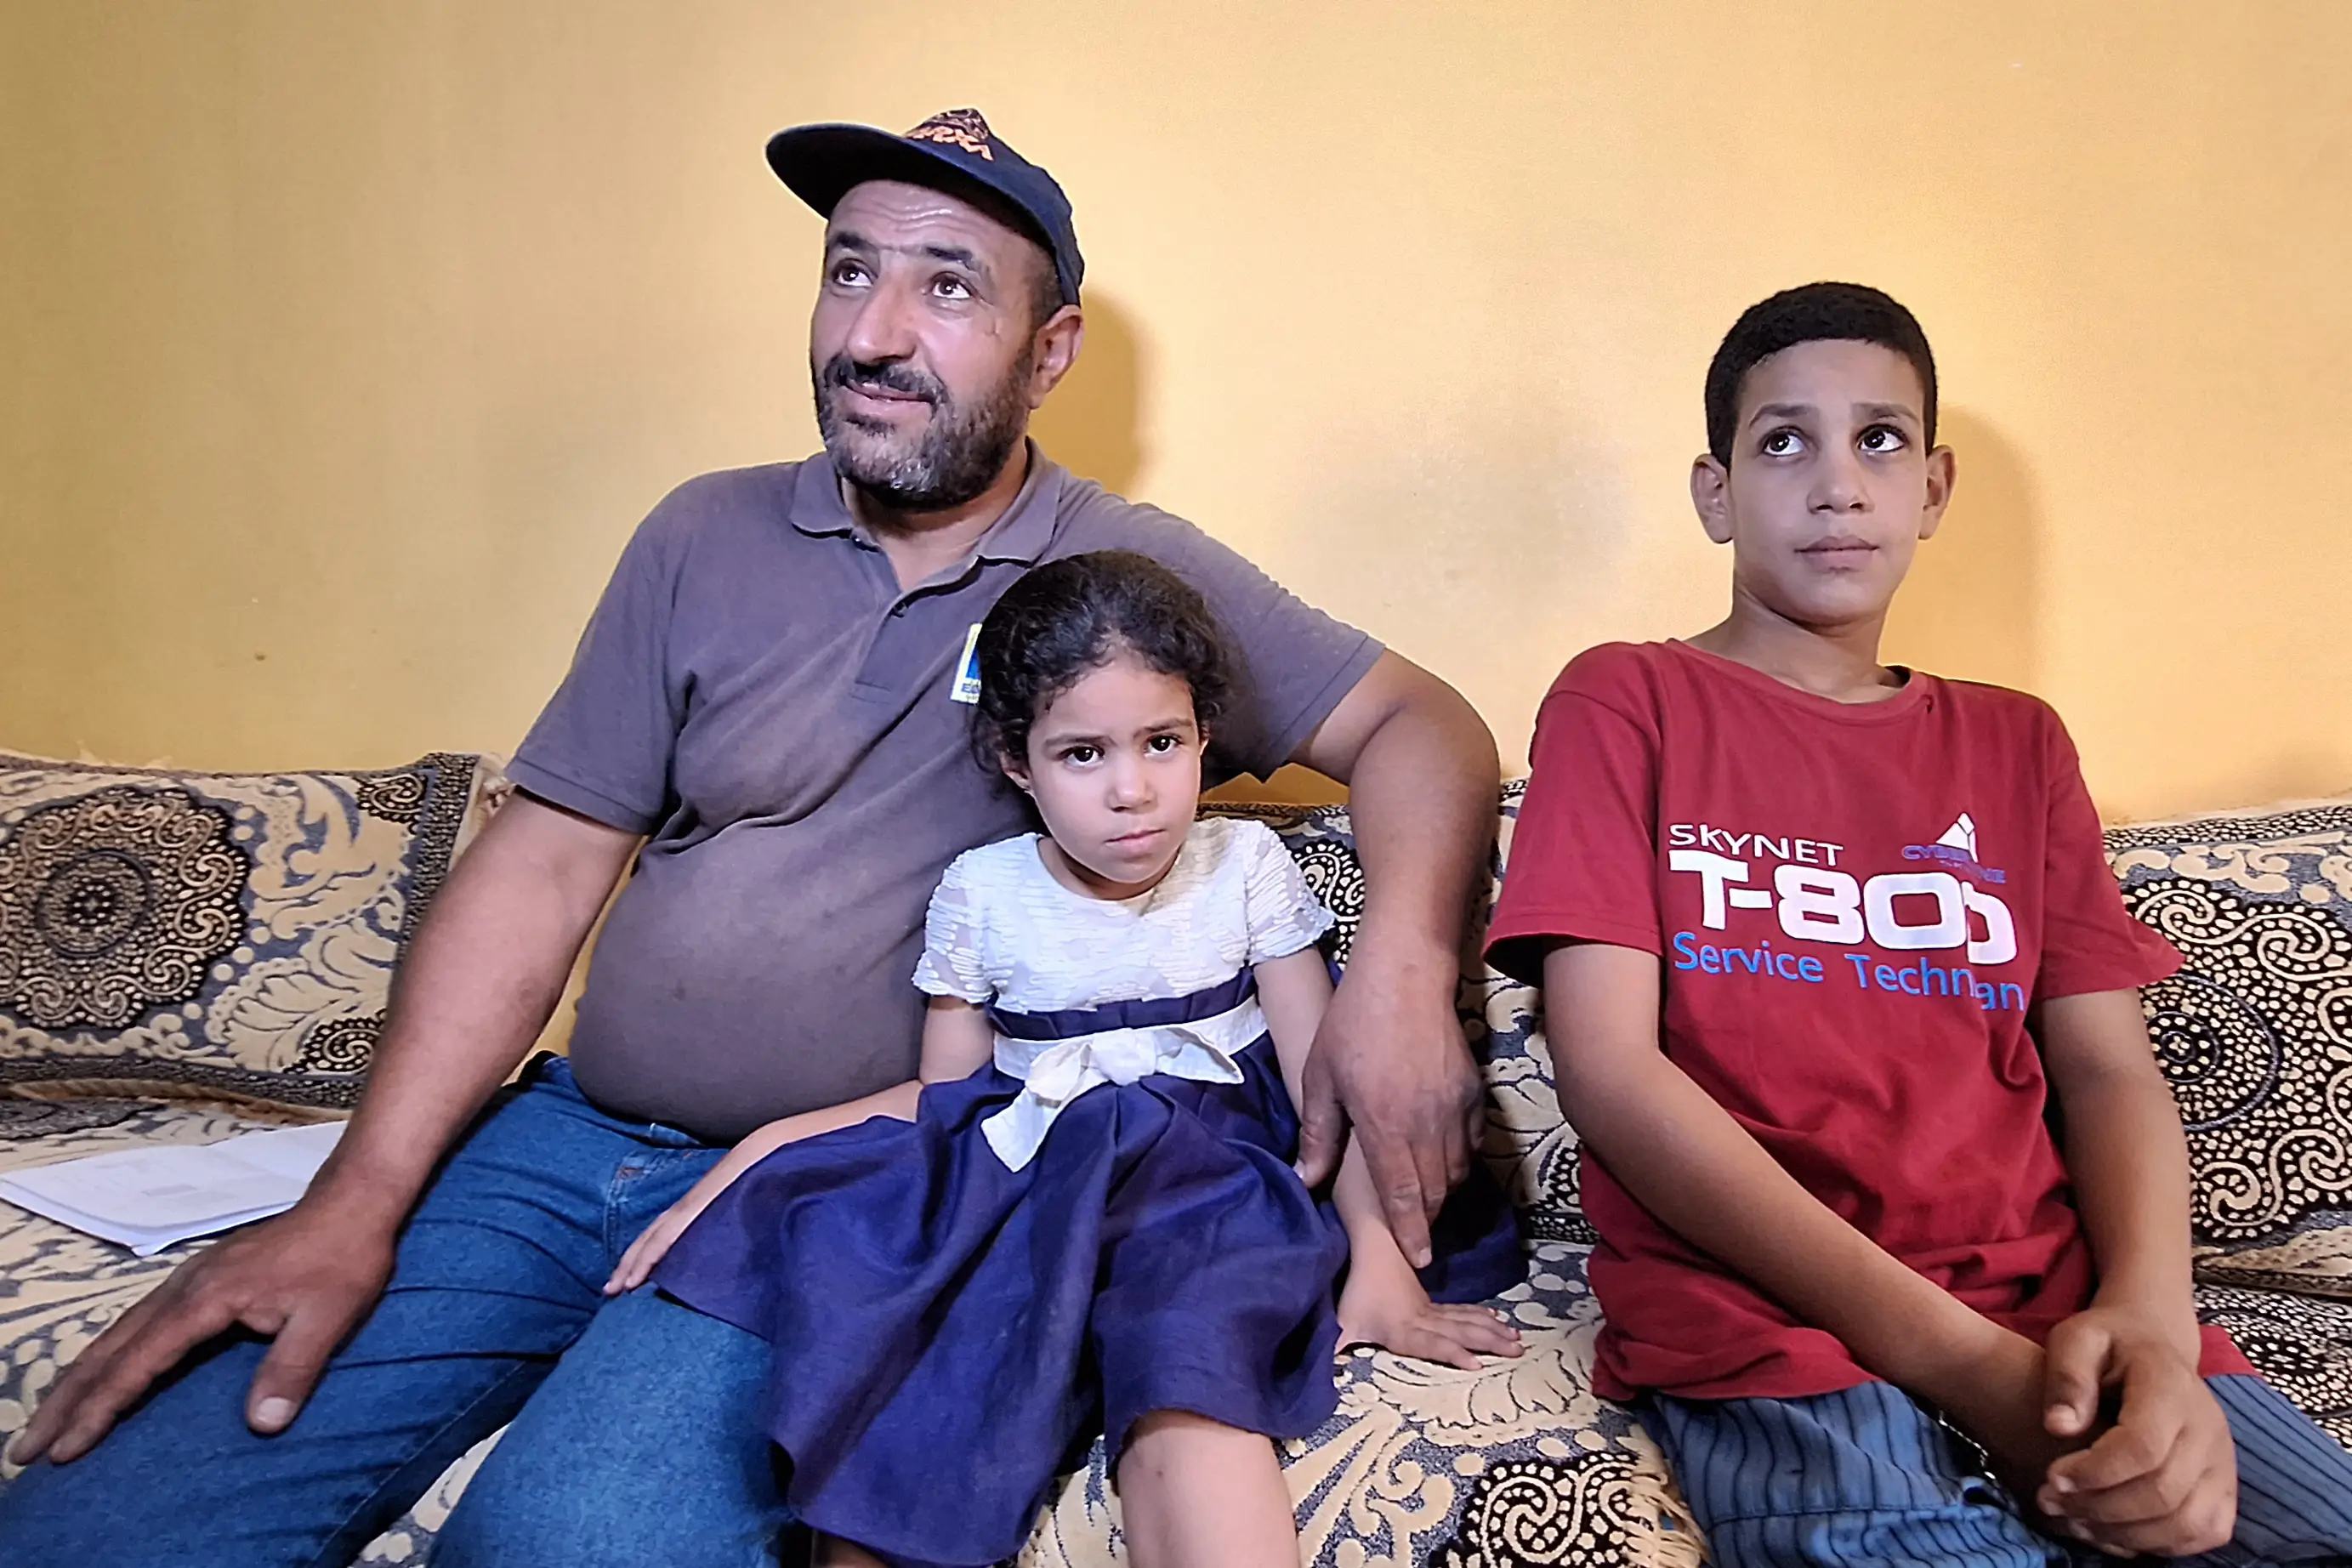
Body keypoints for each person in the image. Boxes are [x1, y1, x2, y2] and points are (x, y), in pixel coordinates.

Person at [0, 111, 1503, 1568]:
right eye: (850, 269)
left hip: (839, 1186)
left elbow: (1423, 727)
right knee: (112, 1508)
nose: (871, 332)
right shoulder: (698, 534)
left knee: (573, 1543)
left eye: (948, 285)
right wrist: (354, 1195)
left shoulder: (1120, 578)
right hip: (560, 1138)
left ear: (1051, 354)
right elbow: (541, 864)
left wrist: (1397, 972)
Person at [1484, 281, 2352, 1567]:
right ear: (1714, 491)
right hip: (1765, 1326)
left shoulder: (2017, 743)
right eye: (1784, 441)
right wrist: (1966, 1370)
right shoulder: (1629, 698)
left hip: (2056, 1307)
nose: (1837, 482)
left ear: (1933, 489)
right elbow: (1610, 1074)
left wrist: (2152, 1323)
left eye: (1877, 439)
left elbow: (2107, 1068)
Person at [608, 550, 1524, 1568]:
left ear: (1205, 733)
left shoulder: (1245, 868)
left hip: (1223, 1184)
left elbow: (1328, 1087)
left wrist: (1381, 1266)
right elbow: (947, 1101)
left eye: (1163, 741)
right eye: (1083, 753)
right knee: (910, 1361)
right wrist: (767, 1146)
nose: (1132, 790)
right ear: (1017, 760)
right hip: (1043, 1181)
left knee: (1192, 1366)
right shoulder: (981, 892)